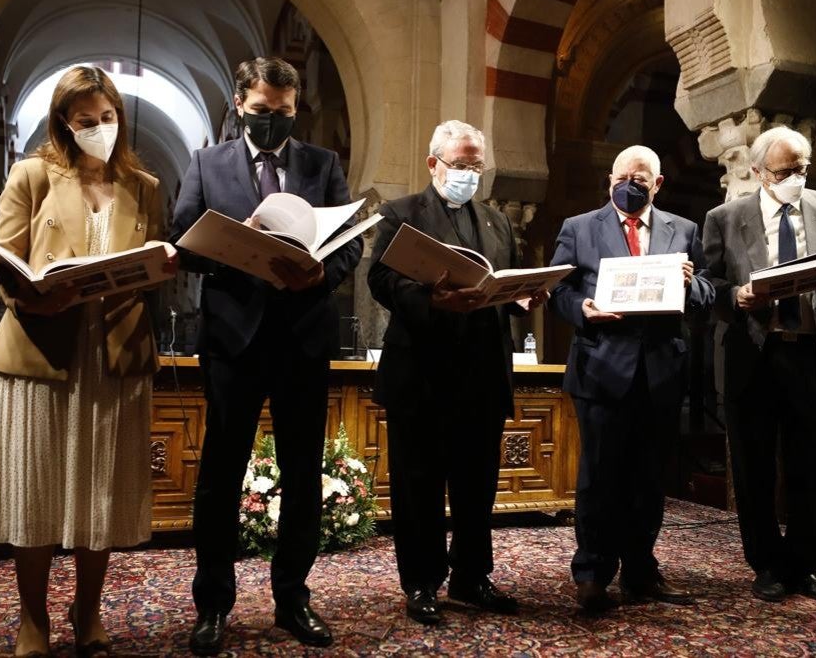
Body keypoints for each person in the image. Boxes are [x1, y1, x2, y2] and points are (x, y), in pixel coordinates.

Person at [0, 65, 178, 657]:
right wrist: (37, 292)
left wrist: (159, 267)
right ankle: (31, 618)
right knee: (36, 489)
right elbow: (1, 261)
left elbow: (150, 259)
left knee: (102, 491)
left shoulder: (145, 185)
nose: (100, 129)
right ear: (64, 122)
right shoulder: (31, 175)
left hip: (113, 354)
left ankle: (87, 610)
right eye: (87, 121)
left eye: (109, 118)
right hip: (44, 350)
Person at [169, 57, 362, 654]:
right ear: (238, 104)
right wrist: (237, 244)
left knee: (304, 474)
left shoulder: (323, 164)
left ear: (295, 108)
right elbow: (183, 238)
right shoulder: (207, 163)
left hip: (302, 338)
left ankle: (293, 598)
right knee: (221, 476)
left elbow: (350, 247)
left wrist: (319, 274)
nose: (271, 122)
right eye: (260, 112)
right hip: (233, 340)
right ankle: (214, 606)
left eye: (282, 113)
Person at [367, 120, 547, 625]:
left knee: (477, 484)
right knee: (417, 484)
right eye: (460, 164)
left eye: (475, 166)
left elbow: (500, 284)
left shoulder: (496, 221)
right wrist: (431, 298)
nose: (469, 174)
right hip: (421, 374)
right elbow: (381, 280)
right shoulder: (401, 213)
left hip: (482, 375)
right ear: (434, 164)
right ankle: (422, 582)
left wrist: (524, 297)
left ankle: (472, 576)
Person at [548, 145, 714, 612]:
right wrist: (582, 308)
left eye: (640, 180)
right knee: (599, 476)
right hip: (600, 368)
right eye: (622, 177)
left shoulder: (684, 230)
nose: (629, 185)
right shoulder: (579, 228)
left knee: (648, 478)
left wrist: (688, 282)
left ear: (657, 184)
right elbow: (557, 290)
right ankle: (593, 574)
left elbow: (706, 292)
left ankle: (641, 572)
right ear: (609, 180)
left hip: (660, 370)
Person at [702, 125, 816, 604]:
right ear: (758, 173)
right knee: (754, 470)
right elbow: (709, 286)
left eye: (802, 168)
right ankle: (768, 565)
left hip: (811, 354)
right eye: (785, 170)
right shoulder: (725, 217)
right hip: (756, 355)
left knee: (814, 466)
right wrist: (738, 294)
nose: (796, 177)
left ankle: (806, 566)